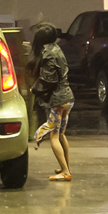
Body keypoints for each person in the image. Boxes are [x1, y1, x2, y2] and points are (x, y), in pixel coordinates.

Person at [28, 23, 74, 181]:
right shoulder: (56, 48)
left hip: (57, 99)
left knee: (53, 136)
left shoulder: (47, 54)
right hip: (67, 98)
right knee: (61, 134)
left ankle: (66, 172)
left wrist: (34, 89)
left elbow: (48, 79)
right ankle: (65, 167)